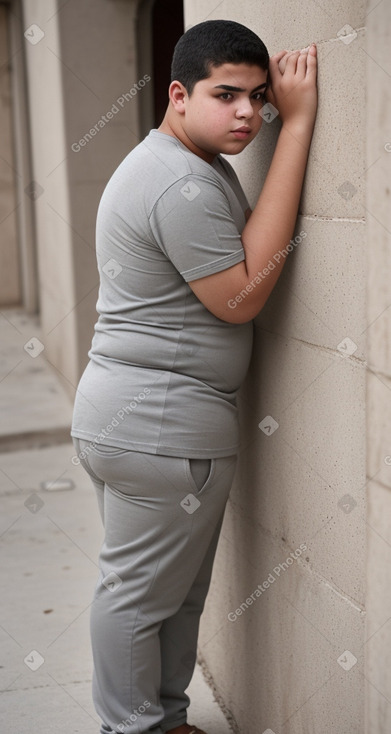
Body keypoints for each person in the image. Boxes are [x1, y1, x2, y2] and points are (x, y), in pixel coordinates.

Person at [70, 18, 317, 734]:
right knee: (139, 594)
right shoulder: (178, 183)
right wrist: (295, 130)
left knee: (168, 595)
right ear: (178, 95)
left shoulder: (177, 164)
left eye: (261, 98)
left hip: (141, 420)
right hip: (158, 428)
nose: (249, 112)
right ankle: (134, 726)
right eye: (226, 94)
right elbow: (239, 296)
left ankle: (161, 719)